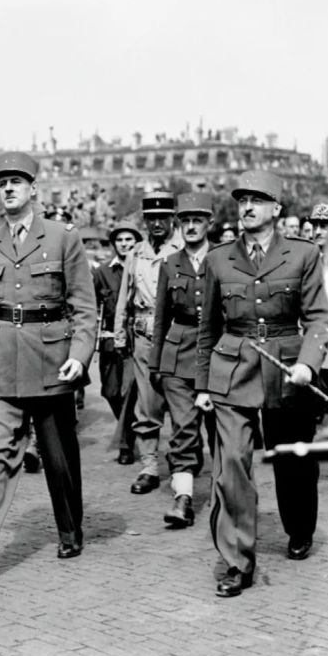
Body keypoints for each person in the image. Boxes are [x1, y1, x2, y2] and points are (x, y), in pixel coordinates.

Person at [0, 151, 97, 580]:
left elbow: (85, 308)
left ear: (33, 189)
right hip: (2, 362)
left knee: (58, 455)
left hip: (50, 359)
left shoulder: (63, 237)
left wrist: (79, 358)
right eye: (2, 183)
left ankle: (69, 529)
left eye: (16, 182)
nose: (8, 189)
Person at [195, 170, 328, 597]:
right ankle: (237, 560)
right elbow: (207, 328)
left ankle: (299, 527)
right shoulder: (219, 258)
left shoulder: (303, 254)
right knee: (231, 462)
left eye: (257, 200)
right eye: (242, 201)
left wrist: (309, 363)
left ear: (277, 209)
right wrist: (202, 384)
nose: (247, 208)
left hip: (288, 370)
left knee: (292, 460)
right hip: (233, 370)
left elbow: (319, 318)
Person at [147, 193, 216, 528]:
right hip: (177, 357)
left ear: (209, 224)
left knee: (221, 428)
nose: (190, 227)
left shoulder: (225, 258)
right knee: (183, 428)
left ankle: (226, 492)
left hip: (219, 354)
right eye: (184, 221)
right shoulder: (170, 263)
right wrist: (155, 363)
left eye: (197, 221)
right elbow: (160, 318)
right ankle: (184, 499)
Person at [114, 192, 184, 495]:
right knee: (147, 404)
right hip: (144, 335)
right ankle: (149, 465)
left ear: (173, 219)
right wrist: (119, 334)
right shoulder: (136, 253)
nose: (157, 223)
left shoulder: (185, 248)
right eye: (151, 219)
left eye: (163, 218)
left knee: (182, 404)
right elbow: (124, 299)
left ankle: (183, 463)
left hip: (178, 335)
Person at [93, 220, 140, 464]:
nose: (124, 244)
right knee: (110, 392)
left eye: (129, 240)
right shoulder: (102, 272)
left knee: (129, 393)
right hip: (110, 342)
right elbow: (90, 306)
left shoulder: (144, 268)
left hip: (136, 341)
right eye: (120, 240)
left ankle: (126, 445)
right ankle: (131, 428)